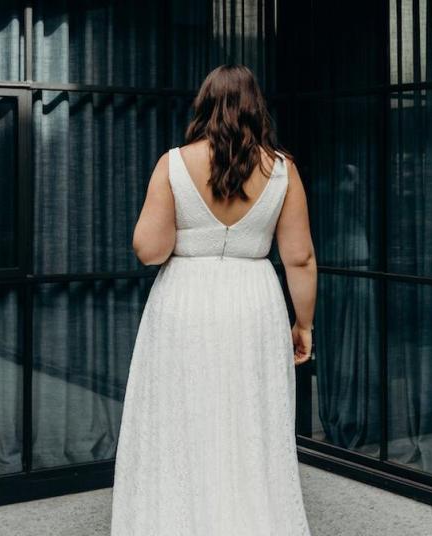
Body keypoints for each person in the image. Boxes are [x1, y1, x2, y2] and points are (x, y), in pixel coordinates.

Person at [110, 64, 316, 535]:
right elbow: (300, 257)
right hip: (255, 302)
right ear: (256, 108)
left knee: (182, 416)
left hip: (185, 301)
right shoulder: (283, 170)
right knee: (251, 422)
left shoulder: (174, 163)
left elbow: (150, 250)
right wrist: (303, 324)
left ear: (203, 107)